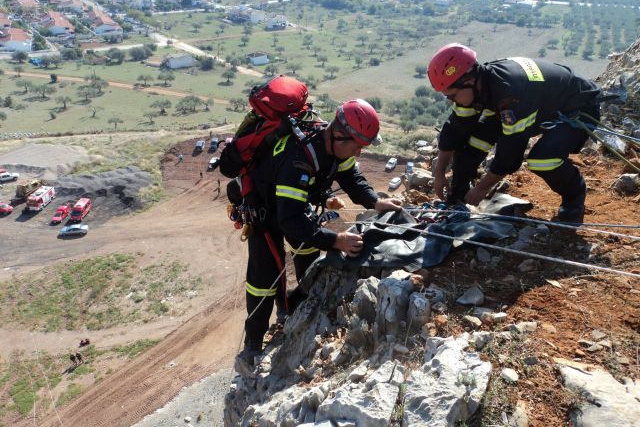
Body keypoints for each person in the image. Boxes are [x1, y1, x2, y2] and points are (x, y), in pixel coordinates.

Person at [237, 98, 402, 370]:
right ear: (339, 135)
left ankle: (293, 305)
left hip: (293, 207)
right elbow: (289, 220)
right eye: (357, 146)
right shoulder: (299, 159)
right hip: (264, 212)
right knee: (263, 278)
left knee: (307, 251)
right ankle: (253, 342)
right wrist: (335, 240)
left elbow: (353, 179)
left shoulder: (336, 150)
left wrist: (375, 201)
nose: (359, 153)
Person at [427, 43, 601, 223]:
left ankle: (574, 196)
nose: (450, 101)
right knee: (474, 140)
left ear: (469, 81)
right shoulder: (481, 86)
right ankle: (458, 195)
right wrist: (439, 173)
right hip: (540, 104)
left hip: (578, 109)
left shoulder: (510, 94)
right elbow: (455, 129)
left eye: (452, 96)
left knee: (542, 160)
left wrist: (482, 188)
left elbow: (511, 152)